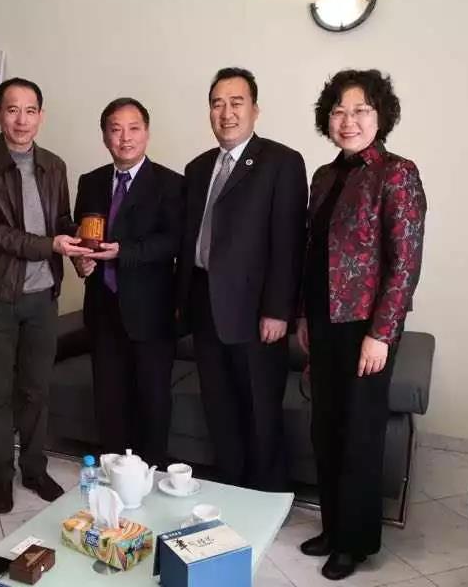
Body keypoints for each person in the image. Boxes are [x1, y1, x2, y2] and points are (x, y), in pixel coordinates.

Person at [296, 69, 427, 580]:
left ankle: (356, 543)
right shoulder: (324, 176)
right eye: (338, 111)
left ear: (380, 116)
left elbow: (405, 264)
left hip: (365, 329)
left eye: (360, 111)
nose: (348, 121)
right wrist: (304, 316)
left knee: (358, 436)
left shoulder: (396, 174)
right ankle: (332, 528)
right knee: (325, 430)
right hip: (324, 322)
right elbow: (312, 253)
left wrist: (381, 333)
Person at [0, 77, 90, 514]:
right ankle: (2, 475)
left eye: (30, 110)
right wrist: (50, 244)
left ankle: (34, 468)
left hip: (43, 296)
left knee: (37, 389)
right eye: (12, 110)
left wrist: (81, 248)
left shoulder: (54, 164)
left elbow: (62, 221)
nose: (21, 120)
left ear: (41, 116)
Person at [175, 67, 308, 492]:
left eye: (236, 103)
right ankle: (231, 493)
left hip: (255, 314)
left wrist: (279, 310)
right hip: (204, 305)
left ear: (255, 109)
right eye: (217, 104)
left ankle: (268, 498)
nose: (226, 113)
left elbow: (289, 242)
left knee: (259, 413)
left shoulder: (281, 162)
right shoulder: (198, 168)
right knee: (220, 411)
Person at [73, 98, 183, 469]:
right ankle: (113, 476)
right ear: (105, 136)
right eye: (116, 129)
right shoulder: (90, 182)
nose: (125, 138)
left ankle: (151, 475)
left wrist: (124, 252)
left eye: (134, 128)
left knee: (152, 402)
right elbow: (82, 235)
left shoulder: (170, 183)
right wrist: (80, 260)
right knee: (109, 402)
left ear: (146, 133)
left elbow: (173, 241)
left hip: (151, 313)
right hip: (102, 310)